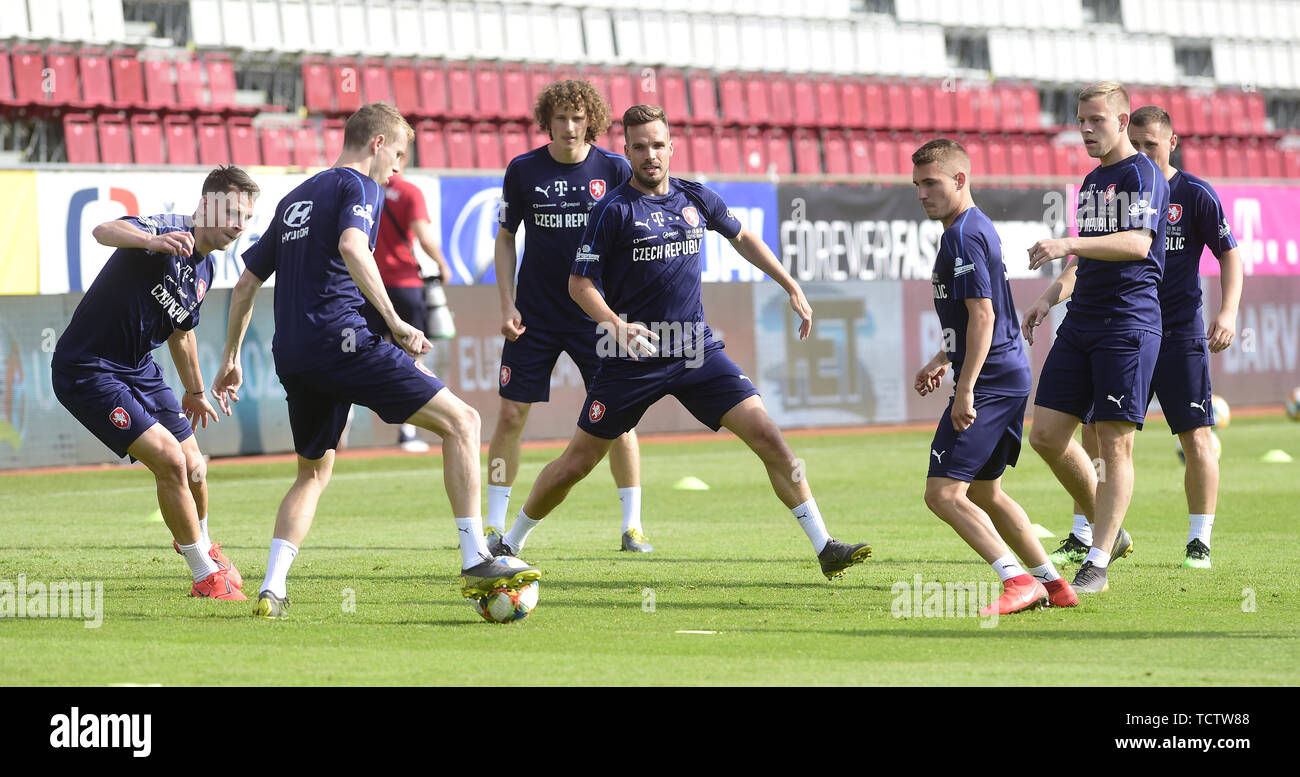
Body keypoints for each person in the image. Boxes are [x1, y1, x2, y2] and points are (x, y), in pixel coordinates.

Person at [490, 105, 872, 581]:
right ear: (626, 151)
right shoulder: (612, 210)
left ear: (671, 147)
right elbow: (578, 285)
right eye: (640, 147)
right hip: (633, 357)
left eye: (658, 145)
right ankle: (510, 542)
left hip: (696, 351)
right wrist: (615, 324)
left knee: (770, 439)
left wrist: (789, 285)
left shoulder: (696, 198)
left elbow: (742, 237)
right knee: (576, 464)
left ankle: (825, 547)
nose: (650, 155)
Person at [211, 103, 538, 619]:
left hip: (293, 355)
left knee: (312, 474)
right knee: (464, 421)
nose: (399, 169)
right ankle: (476, 555)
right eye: (400, 154)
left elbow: (248, 281)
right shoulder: (360, 186)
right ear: (378, 144)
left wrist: (230, 358)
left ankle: (273, 588)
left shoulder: (296, 196)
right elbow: (351, 246)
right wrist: (396, 321)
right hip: (344, 341)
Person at [1027, 105, 1242, 570]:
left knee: (1194, 435)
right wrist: (1050, 297)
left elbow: (1229, 254)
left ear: (1172, 143)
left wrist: (1227, 311)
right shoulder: (1111, 183)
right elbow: (1084, 261)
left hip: (1175, 329)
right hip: (1113, 325)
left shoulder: (1195, 193)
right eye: (1138, 143)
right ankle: (1085, 530)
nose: (1143, 151)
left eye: (1152, 144)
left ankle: (1198, 540)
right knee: (1089, 433)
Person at [51, 166, 258, 600]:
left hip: (139, 368)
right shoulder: (163, 230)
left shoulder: (205, 268)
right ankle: (204, 575)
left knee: (197, 466)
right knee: (169, 460)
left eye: (248, 218)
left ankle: (206, 547)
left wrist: (197, 392)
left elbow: (182, 332)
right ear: (206, 206)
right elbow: (102, 229)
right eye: (235, 213)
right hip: (87, 369)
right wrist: (150, 241)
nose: (241, 225)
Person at [910, 139, 1077, 614]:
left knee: (942, 494)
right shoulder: (973, 227)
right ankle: (1052, 581)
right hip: (1005, 373)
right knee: (986, 491)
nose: (922, 193)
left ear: (960, 180)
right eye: (917, 184)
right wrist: (942, 357)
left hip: (990, 381)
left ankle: (1016, 579)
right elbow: (984, 315)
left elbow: (982, 315)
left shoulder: (962, 235)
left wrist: (964, 390)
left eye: (932, 183)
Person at [489, 80, 652, 552]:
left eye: (577, 118)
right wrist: (506, 302)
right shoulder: (522, 170)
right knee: (511, 415)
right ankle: (495, 525)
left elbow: (636, 234)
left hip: (596, 316)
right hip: (534, 316)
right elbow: (505, 237)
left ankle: (632, 526)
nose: (568, 126)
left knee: (620, 420)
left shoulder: (616, 168)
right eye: (560, 117)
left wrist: (625, 308)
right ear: (547, 121)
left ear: (592, 122)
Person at [1024, 81, 1170, 594]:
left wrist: (1067, 241)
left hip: (1127, 324)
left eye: (1096, 120)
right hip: (1081, 319)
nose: (1085, 129)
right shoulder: (1091, 182)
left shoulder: (1144, 174)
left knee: (1113, 443)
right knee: (1044, 435)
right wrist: (1049, 297)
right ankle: (1112, 527)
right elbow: (1088, 256)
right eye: (1080, 120)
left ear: (1123, 121)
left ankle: (1099, 560)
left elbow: (1134, 243)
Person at [357, 154, 452, 453]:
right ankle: (408, 432)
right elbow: (423, 236)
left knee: (355, 356)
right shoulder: (410, 192)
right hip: (406, 286)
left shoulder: (363, 191)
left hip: (369, 287)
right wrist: (442, 263)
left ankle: (338, 432)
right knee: (411, 358)